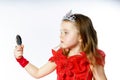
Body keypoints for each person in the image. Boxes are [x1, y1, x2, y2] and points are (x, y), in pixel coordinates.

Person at [14, 10, 107, 80]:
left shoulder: (91, 59)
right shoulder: (60, 56)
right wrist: (20, 59)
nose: (61, 36)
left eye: (66, 32)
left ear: (81, 37)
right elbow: (38, 73)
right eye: (61, 32)